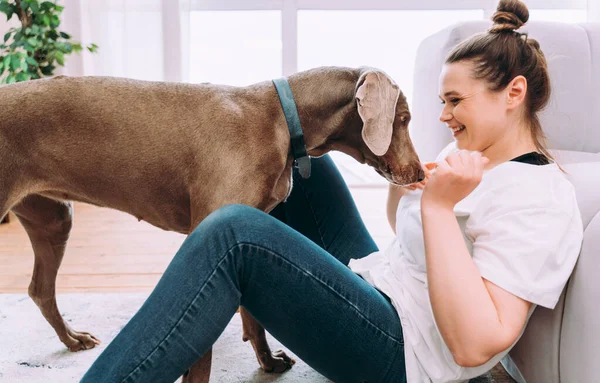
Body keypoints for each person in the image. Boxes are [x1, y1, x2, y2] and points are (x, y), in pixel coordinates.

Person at [81, 0, 583, 382]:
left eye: (455, 100)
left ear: (513, 93)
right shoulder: (478, 161)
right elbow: (405, 235)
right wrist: (409, 186)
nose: (443, 115)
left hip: (401, 352)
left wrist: (437, 208)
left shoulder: (541, 199)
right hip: (382, 284)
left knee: (235, 234)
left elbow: (475, 346)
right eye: (442, 100)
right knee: (303, 168)